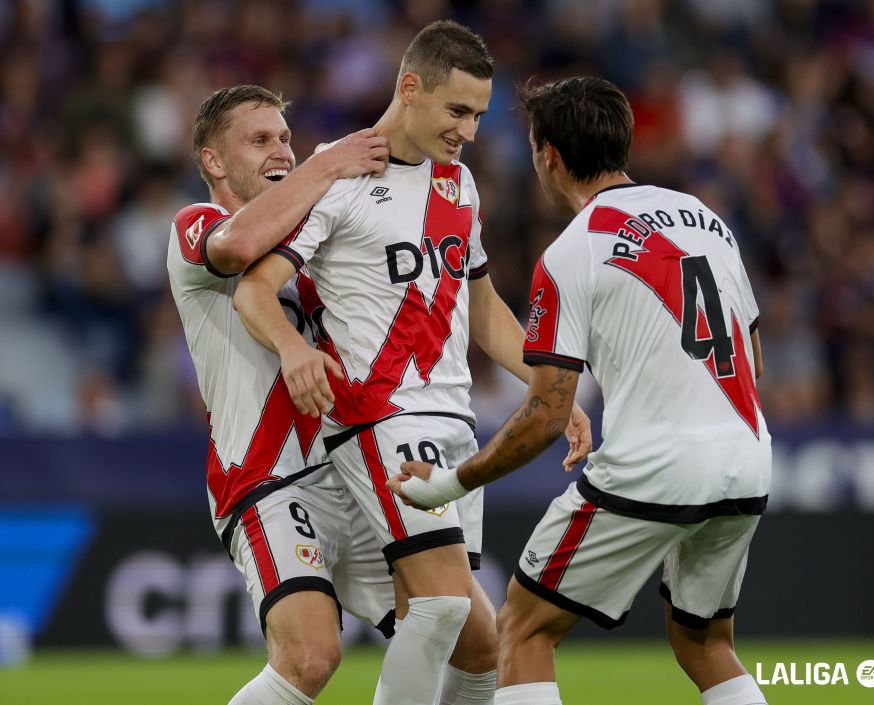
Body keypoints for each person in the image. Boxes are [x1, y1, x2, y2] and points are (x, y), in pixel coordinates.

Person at [233, 22, 592, 705]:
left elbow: (482, 311)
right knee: (444, 607)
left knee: (478, 644)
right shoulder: (339, 177)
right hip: (380, 416)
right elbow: (253, 287)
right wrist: (295, 347)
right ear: (409, 89)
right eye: (457, 110)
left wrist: (551, 388)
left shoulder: (460, 187)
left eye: (480, 116)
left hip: (455, 421)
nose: (470, 130)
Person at [390, 76, 771, 705]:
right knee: (705, 643)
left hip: (656, 465)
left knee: (523, 628)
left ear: (549, 156)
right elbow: (751, 356)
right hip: (747, 458)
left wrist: (451, 483)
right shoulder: (708, 221)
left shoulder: (573, 251)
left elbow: (546, 415)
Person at [167, 84, 395, 705]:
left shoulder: (316, 249)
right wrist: (328, 162)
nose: (283, 151)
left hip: (351, 471)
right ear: (214, 161)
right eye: (260, 139)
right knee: (310, 656)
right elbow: (239, 247)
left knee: (456, 632)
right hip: (265, 475)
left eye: (286, 139)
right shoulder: (197, 227)